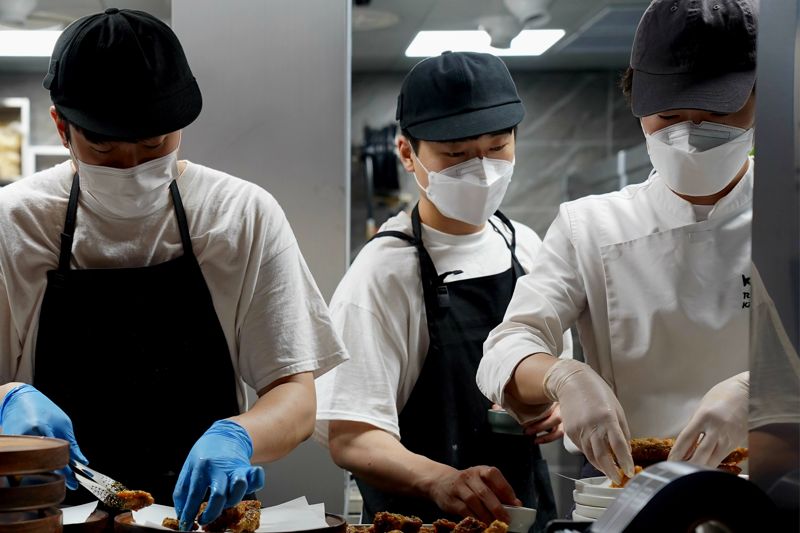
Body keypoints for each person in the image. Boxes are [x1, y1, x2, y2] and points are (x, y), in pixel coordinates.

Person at [0, 8, 347, 531]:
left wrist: (241, 436)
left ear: (180, 124)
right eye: (104, 147)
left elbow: (295, 396)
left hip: (201, 521)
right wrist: (6, 401)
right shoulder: (15, 221)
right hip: (48, 519)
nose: (132, 167)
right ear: (60, 126)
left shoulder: (241, 215)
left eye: (153, 145)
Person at [477, 0, 758, 486]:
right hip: (626, 494)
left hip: (772, 490)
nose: (689, 136)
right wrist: (564, 376)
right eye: (668, 115)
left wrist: (761, 391)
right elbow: (507, 346)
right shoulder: (590, 224)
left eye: (716, 113)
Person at [314, 51, 571, 531]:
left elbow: (552, 373)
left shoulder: (526, 248)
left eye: (498, 148)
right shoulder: (384, 274)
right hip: (424, 525)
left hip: (525, 520)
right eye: (455, 155)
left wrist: (552, 406)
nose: (481, 169)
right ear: (407, 153)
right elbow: (351, 436)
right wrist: (440, 480)